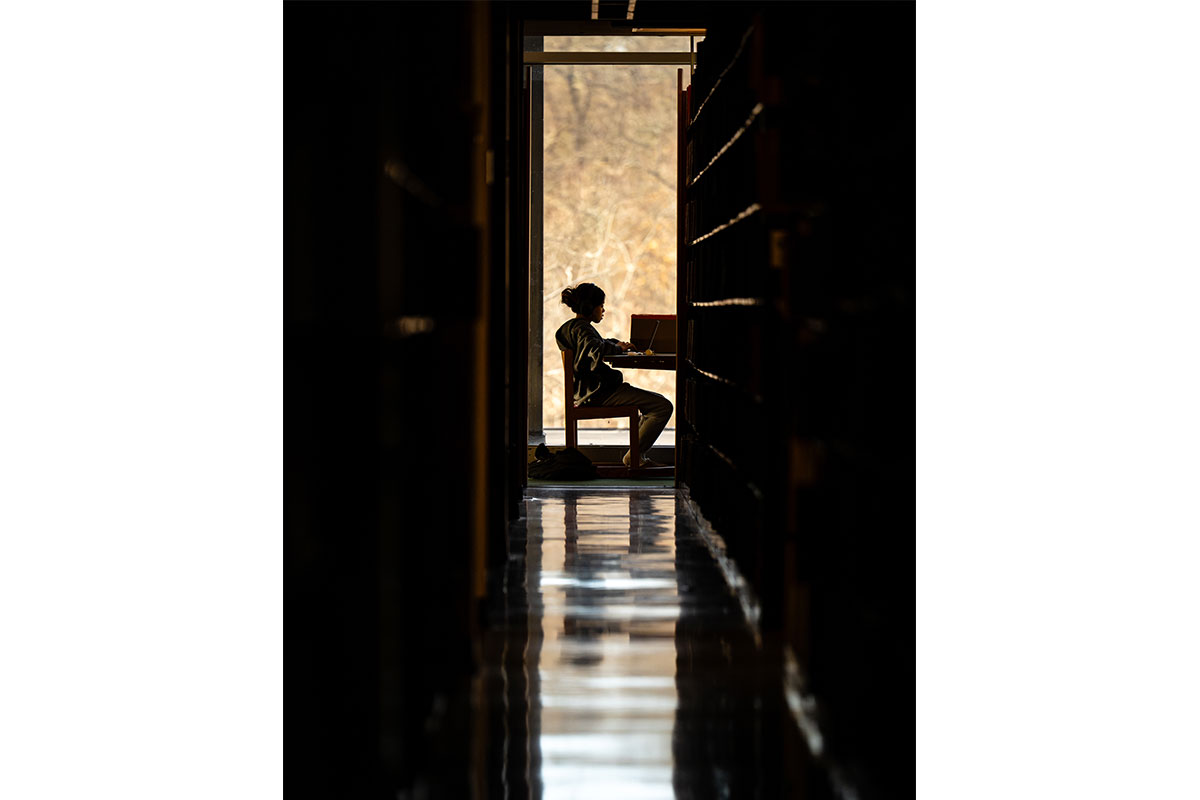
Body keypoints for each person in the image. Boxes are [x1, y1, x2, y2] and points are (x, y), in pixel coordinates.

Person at [555, 282, 673, 467]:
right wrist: (617, 347)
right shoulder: (583, 329)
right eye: (601, 305)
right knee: (662, 406)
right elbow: (593, 347)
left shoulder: (571, 328)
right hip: (598, 393)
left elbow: (596, 343)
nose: (603, 310)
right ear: (590, 307)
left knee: (655, 402)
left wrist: (616, 343)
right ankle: (635, 457)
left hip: (587, 392)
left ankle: (636, 455)